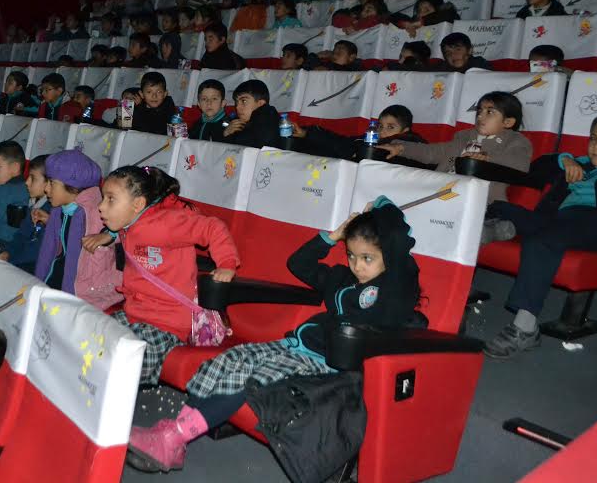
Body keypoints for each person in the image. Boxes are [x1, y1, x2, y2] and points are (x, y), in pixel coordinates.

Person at [126, 197, 422, 474]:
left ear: (388, 255)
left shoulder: (394, 289)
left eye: (368, 258)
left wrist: (379, 207)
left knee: (250, 380)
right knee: (232, 359)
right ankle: (172, 439)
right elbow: (299, 263)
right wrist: (335, 236)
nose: (357, 266)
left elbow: (397, 239)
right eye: (352, 256)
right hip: (295, 345)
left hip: (328, 363)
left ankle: (173, 438)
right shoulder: (342, 279)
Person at [482, 112, 597, 359]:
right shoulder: (579, 163)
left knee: (541, 240)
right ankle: (507, 225)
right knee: (500, 207)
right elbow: (537, 167)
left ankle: (525, 328)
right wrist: (566, 160)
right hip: (559, 219)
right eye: (593, 138)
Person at [86, 167, 238, 389]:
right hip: (134, 314)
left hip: (165, 323)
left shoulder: (165, 224)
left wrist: (227, 264)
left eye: (110, 199)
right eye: (103, 198)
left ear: (138, 204)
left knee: (119, 368)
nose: (100, 206)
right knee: (86, 339)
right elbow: (126, 229)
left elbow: (212, 227)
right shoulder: (130, 222)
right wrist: (107, 235)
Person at [380, 90, 532, 205]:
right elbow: (433, 152)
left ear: (507, 122)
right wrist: (401, 148)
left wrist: (487, 158)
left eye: (489, 112)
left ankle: (490, 228)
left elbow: (519, 164)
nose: (480, 116)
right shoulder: (464, 137)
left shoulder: (516, 141)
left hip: (481, 202)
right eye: (479, 111)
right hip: (440, 191)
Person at [33, 150, 121, 310]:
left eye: (52, 183)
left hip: (87, 294)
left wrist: (110, 234)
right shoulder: (59, 210)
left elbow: (127, 230)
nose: (46, 189)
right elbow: (48, 252)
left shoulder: (95, 211)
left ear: (73, 187)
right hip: (60, 280)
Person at [290, 105, 426, 159]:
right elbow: (343, 141)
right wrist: (306, 133)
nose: (382, 131)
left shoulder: (411, 148)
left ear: (405, 131)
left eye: (390, 127)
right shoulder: (368, 140)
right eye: (380, 126)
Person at [1, 154, 52, 271]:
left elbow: (35, 251)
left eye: (33, 178)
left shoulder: (52, 211)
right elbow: (21, 235)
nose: (27, 182)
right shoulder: (34, 204)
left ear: (49, 183)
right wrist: (7, 253)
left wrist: (10, 262)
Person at [222, 80, 282, 149]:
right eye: (236, 102)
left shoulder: (268, 118)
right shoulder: (239, 121)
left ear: (260, 103)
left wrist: (227, 136)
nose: (237, 107)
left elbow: (249, 147)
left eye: (244, 101)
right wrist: (227, 133)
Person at [391, 0, 459, 36]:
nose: (422, 14)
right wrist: (405, 24)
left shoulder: (448, 15)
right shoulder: (414, 21)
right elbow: (392, 19)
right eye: (419, 11)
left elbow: (447, 16)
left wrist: (421, 22)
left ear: (439, 9)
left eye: (427, 10)